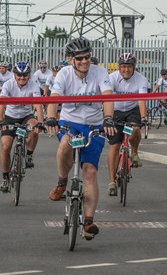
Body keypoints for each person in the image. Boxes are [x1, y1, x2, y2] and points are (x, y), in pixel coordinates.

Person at [44, 37, 115, 240]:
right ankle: (61, 182)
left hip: (94, 125)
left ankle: (89, 222)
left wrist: (108, 118)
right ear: (70, 59)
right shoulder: (64, 74)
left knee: (90, 172)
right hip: (70, 123)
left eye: (88, 57)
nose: (85, 62)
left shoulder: (100, 72)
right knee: (65, 145)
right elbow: (55, 98)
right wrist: (50, 117)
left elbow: (108, 96)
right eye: (80, 58)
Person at [0, 61, 44, 192]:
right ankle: (5, 177)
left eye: (25, 75)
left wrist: (40, 122)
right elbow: (1, 103)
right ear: (14, 75)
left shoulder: (33, 85)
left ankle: (29, 154)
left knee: (34, 128)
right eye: (19, 75)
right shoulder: (8, 84)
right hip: (10, 117)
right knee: (6, 146)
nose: (22, 78)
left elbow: (38, 105)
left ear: (29, 75)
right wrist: (0, 121)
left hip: (26, 116)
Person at [105, 53, 148, 196]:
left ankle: (134, 153)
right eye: (123, 66)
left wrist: (144, 117)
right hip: (116, 111)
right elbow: (108, 98)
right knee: (114, 146)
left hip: (132, 110)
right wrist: (108, 117)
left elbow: (142, 100)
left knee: (135, 129)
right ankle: (111, 181)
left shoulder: (141, 79)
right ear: (119, 67)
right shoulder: (111, 78)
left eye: (129, 67)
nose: (126, 70)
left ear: (134, 67)